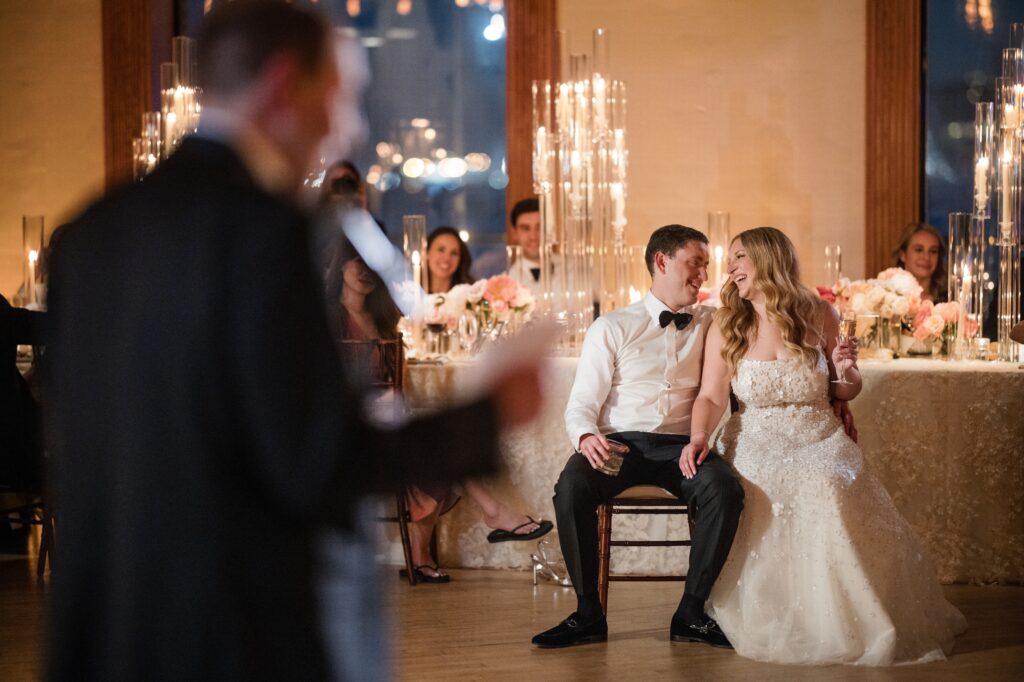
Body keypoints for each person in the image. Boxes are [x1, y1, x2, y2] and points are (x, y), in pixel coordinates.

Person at [43, 3, 543, 681]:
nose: (351, 126)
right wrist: (491, 410)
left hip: (106, 626)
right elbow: (313, 457)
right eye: (341, 99)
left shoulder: (89, 234)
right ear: (284, 86)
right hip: (230, 624)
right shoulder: (268, 234)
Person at [684, 226, 966, 665]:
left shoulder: (820, 313)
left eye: (740, 257)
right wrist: (699, 436)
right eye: (732, 260)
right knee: (763, 484)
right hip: (755, 433)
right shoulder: (728, 321)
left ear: (768, 259)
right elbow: (711, 396)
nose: (731, 268)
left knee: (829, 482)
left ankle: (847, 611)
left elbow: (845, 390)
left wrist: (845, 369)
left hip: (817, 432)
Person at [532, 225, 745, 649]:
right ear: (661, 261)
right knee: (572, 486)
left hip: (682, 448)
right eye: (694, 263)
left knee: (724, 489)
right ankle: (587, 613)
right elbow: (580, 404)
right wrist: (586, 436)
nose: (703, 274)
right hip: (619, 446)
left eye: (706, 265)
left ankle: (691, 612)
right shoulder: (611, 326)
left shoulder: (714, 323)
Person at [323, 236, 554, 583]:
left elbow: (395, 378)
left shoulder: (382, 320)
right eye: (358, 263)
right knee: (441, 442)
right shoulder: (330, 322)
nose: (367, 272)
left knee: (439, 438)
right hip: (349, 422)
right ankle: (492, 515)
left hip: (386, 416)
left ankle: (427, 550)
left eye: (372, 265)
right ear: (341, 265)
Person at [893, 222, 947, 302]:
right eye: (919, 250)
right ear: (903, 255)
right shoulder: (888, 297)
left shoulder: (948, 300)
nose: (926, 257)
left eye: (933, 251)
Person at [425, 226, 474, 293]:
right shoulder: (412, 295)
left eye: (454, 253)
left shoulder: (470, 296)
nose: (447, 258)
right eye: (441, 250)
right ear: (427, 253)